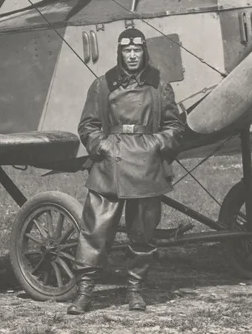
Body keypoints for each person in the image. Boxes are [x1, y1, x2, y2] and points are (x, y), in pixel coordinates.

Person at [67, 27, 185, 315]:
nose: (132, 56)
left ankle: (135, 290)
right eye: (126, 51)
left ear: (144, 51)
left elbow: (175, 126)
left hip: (147, 167)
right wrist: (103, 147)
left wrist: (158, 142)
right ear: (119, 52)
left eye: (137, 50)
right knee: (95, 231)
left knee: (142, 234)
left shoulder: (160, 85)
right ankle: (84, 293)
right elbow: (88, 126)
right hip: (110, 166)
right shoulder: (103, 85)